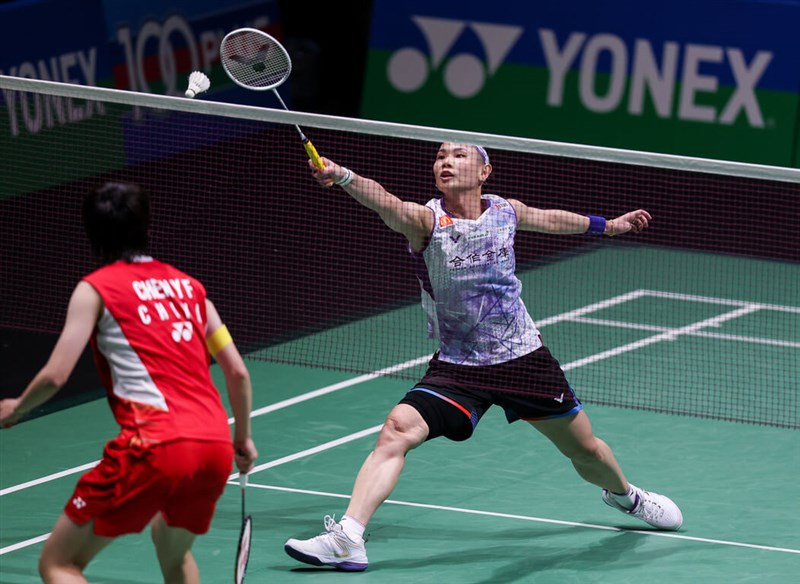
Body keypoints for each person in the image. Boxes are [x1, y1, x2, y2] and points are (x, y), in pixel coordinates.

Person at [283, 143, 682, 572]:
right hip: (457, 367)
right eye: (439, 156)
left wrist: (608, 226)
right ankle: (348, 537)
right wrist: (343, 176)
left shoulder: (505, 211)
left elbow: (548, 219)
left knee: (585, 451)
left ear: (484, 171)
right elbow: (387, 202)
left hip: (523, 360)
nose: (445, 162)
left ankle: (627, 497)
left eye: (458, 156)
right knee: (396, 431)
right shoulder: (426, 221)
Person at [0, 182, 259, 584]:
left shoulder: (94, 291)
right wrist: (242, 438)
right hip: (212, 448)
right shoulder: (193, 290)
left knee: (58, 564)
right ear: (147, 228)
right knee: (173, 552)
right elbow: (237, 372)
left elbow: (55, 374)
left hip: (155, 445)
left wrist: (16, 408)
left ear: (92, 235)